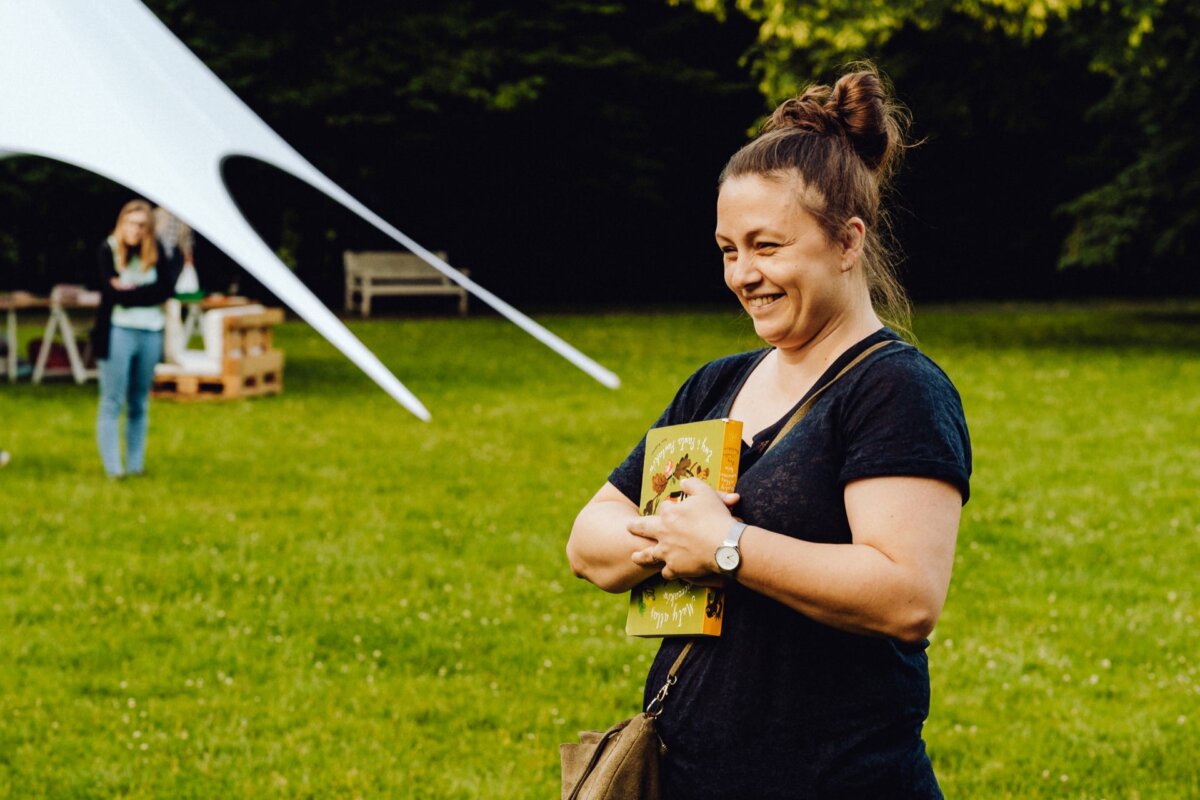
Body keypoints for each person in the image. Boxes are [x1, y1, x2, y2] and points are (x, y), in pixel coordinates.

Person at [567, 66, 971, 799]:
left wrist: (725, 549)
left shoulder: (894, 389)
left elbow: (906, 597)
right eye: (728, 249)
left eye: (768, 246)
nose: (743, 274)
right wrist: (669, 540)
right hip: (688, 773)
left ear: (847, 242)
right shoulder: (717, 383)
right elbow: (589, 541)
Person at [90, 199, 183, 478]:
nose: (135, 229)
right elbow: (112, 293)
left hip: (150, 331)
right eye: (130, 223)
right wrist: (140, 292)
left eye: (142, 225)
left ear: (149, 228)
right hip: (117, 332)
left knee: (139, 401)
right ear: (122, 223)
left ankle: (135, 465)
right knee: (112, 400)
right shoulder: (108, 249)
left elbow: (165, 290)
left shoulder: (158, 253)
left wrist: (129, 292)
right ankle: (114, 470)